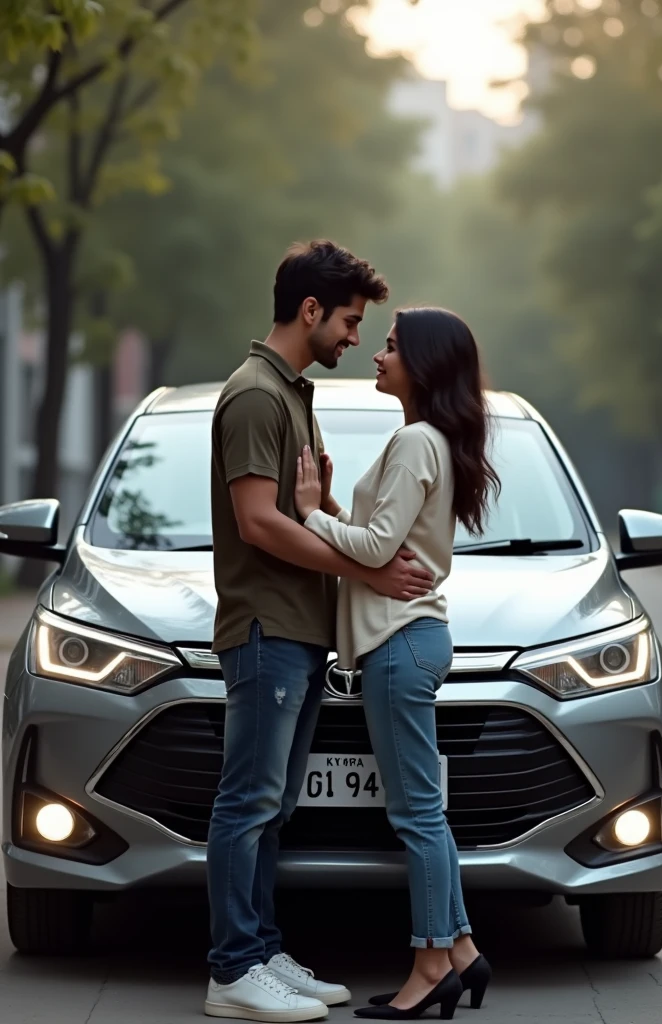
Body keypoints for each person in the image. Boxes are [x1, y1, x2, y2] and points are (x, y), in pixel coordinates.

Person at [206, 242, 436, 1022]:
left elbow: (299, 514)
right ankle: (233, 967)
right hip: (267, 626)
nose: (351, 338)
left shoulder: (291, 393)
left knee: (271, 807)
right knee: (249, 802)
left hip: (300, 631)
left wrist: (333, 523)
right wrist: (365, 572)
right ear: (310, 311)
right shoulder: (255, 396)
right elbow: (257, 521)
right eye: (347, 322)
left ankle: (262, 950)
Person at [294, 307, 500, 1020]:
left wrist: (309, 513)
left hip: (398, 641)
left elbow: (378, 548)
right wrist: (328, 503)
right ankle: (463, 951)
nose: (376, 354)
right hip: (412, 638)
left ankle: (429, 964)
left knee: (414, 816)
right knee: (426, 814)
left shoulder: (416, 440)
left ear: (424, 362)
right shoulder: (426, 439)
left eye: (389, 346)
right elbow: (388, 539)